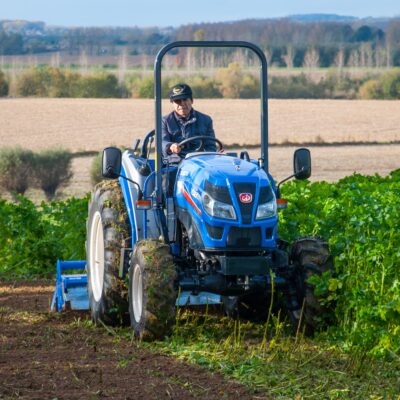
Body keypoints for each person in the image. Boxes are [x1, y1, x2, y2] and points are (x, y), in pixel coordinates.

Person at [162, 83, 217, 165]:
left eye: (185, 99)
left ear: (191, 100)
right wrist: (171, 146)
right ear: (172, 103)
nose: (182, 104)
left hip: (199, 163)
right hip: (175, 164)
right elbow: (162, 142)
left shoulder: (206, 120)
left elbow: (211, 146)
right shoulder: (164, 121)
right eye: (178, 101)